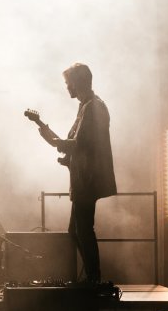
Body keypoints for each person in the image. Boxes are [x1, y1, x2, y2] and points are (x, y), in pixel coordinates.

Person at [39, 63, 116, 283]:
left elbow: (78, 144)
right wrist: (45, 130)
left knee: (82, 229)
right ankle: (92, 278)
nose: (66, 87)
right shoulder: (87, 106)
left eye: (67, 83)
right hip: (84, 178)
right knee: (76, 230)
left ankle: (94, 279)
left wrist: (50, 136)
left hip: (87, 180)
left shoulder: (93, 107)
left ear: (78, 82)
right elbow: (78, 144)